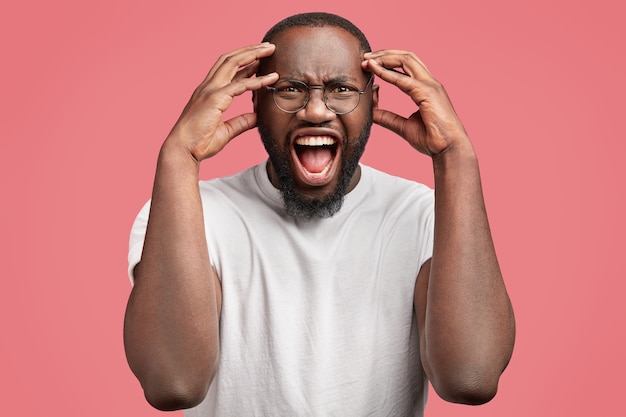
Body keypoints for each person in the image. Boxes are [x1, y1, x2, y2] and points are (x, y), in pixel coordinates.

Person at [124, 12, 515, 417]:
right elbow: (173, 384)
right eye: (290, 89)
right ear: (255, 100)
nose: (315, 111)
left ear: (373, 103)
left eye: (341, 89)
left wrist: (456, 157)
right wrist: (178, 157)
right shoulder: (191, 213)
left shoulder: (423, 216)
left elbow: (471, 377)